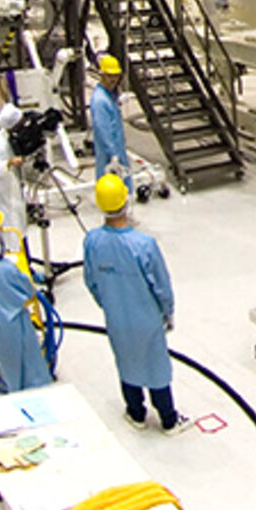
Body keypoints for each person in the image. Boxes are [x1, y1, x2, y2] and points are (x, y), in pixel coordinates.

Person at [82, 175, 189, 433]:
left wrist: (108, 304)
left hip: (116, 317)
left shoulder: (92, 241)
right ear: (126, 201)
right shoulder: (144, 245)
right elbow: (161, 286)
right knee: (155, 365)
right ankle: (168, 419)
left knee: (126, 361)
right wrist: (168, 312)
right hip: (147, 318)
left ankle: (136, 413)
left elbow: (91, 280)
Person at [0, 204, 53, 392]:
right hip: (14, 328)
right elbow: (27, 291)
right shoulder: (5, 270)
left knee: (9, 370)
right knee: (31, 373)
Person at [89, 55, 128, 181]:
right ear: (102, 75)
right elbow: (102, 129)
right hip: (109, 154)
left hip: (117, 149)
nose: (114, 79)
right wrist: (113, 155)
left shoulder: (109, 95)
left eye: (116, 76)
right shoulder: (100, 100)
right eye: (110, 76)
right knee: (110, 190)